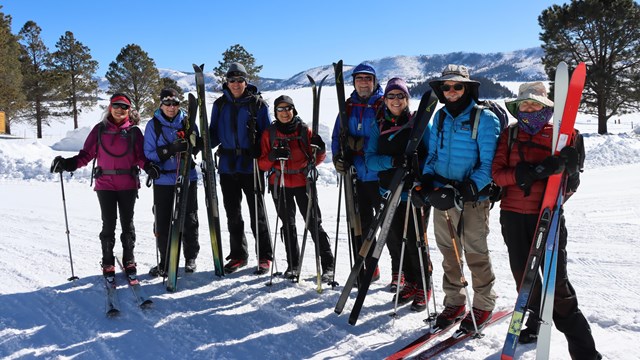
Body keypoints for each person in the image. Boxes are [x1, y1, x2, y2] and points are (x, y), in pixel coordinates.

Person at [492, 82, 601, 359]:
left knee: (558, 285)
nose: (529, 109)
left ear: (547, 106)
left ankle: (586, 352)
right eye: (524, 105)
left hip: (549, 218)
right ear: (517, 108)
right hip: (513, 216)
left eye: (535, 104)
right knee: (524, 279)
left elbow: (570, 188)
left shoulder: (566, 136)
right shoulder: (510, 134)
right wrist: (522, 175)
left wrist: (570, 171)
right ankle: (534, 323)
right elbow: (497, 174)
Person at [414, 64, 500, 332]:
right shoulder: (439, 117)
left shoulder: (484, 118)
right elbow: (433, 156)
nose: (451, 91)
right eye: (446, 87)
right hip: (442, 197)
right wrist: (427, 181)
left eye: (457, 86)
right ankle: (455, 301)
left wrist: (465, 190)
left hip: (472, 198)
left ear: (468, 88)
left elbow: (489, 165)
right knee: (448, 253)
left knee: (475, 253)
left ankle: (484, 303)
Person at [51, 93, 154, 279]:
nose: (119, 109)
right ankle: (107, 261)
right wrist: (68, 163)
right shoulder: (99, 130)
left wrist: (148, 167)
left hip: (128, 184)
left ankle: (129, 259)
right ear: (109, 107)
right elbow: (86, 155)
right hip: (105, 184)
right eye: (116, 105)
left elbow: (140, 157)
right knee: (108, 223)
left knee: (127, 223)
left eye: (124, 107)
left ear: (129, 110)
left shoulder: (134, 132)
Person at [365, 78, 432, 312]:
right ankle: (411, 282)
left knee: (416, 242)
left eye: (400, 96)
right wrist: (392, 161)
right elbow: (370, 160)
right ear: (385, 100)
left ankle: (424, 285)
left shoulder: (419, 123)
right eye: (391, 96)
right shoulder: (379, 125)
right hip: (389, 192)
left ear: (407, 99)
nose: (396, 100)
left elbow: (431, 154)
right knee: (398, 242)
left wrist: (418, 169)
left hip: (414, 193)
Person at [257, 95, 334, 280]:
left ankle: (328, 265)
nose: (285, 112)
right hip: (280, 183)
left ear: (294, 110)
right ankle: (293, 265)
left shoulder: (304, 130)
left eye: (288, 108)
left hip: (303, 183)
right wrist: (273, 156)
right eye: (280, 109)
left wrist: (321, 150)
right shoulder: (270, 133)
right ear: (275, 112)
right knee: (288, 225)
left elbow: (315, 159)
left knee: (314, 223)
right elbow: (262, 165)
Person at [209, 62, 273, 275]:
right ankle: (238, 255)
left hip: (251, 165)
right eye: (232, 80)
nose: (236, 84)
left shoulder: (258, 105)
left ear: (246, 81)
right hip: (227, 166)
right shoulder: (219, 105)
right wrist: (200, 141)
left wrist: (262, 153)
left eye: (240, 80)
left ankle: (264, 256)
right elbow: (214, 134)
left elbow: (268, 135)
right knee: (233, 214)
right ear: (226, 82)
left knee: (258, 213)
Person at [330, 63, 386, 287]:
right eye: (359, 78)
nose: (363, 82)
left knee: (389, 226)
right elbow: (337, 136)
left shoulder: (384, 105)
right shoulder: (348, 106)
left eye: (368, 78)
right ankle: (368, 267)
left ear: (374, 81)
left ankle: (399, 274)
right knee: (360, 225)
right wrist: (339, 157)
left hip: (379, 174)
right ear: (353, 82)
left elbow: (388, 135)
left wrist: (365, 146)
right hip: (356, 175)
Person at [144, 88, 200, 276]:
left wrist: (193, 145)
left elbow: (197, 145)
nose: (171, 107)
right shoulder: (153, 125)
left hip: (187, 176)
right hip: (163, 180)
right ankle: (166, 260)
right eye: (167, 103)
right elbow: (149, 153)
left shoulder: (187, 122)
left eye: (175, 103)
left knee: (189, 219)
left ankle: (190, 258)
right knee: (163, 221)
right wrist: (169, 149)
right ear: (161, 104)